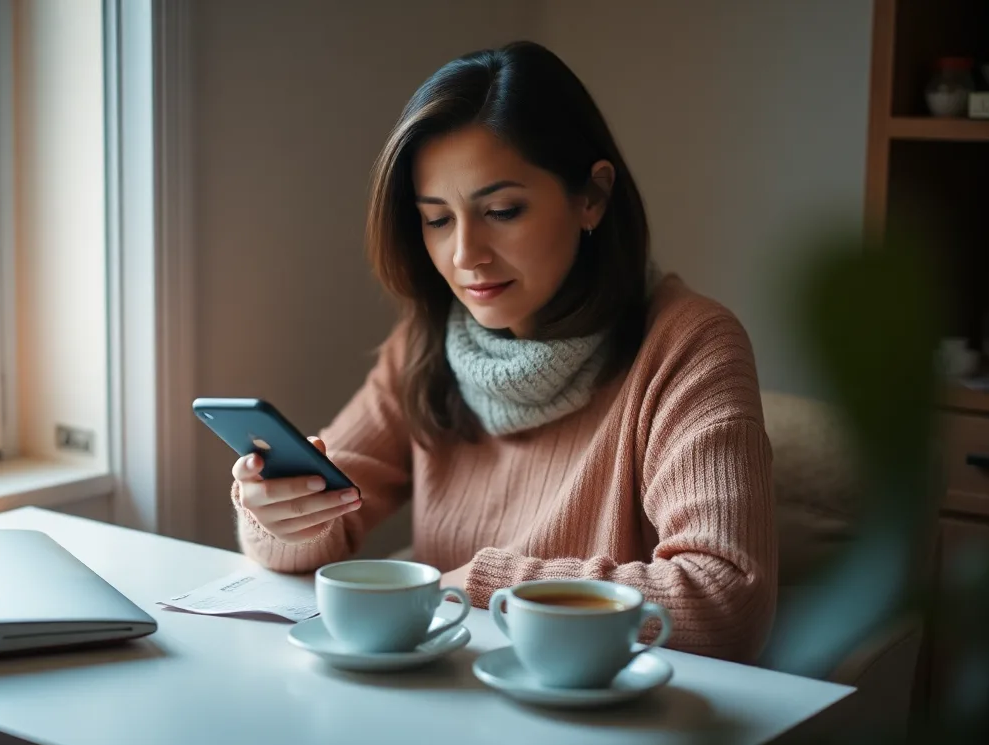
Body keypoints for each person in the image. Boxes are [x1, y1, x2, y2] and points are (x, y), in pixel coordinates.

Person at [228, 41, 776, 663]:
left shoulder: (689, 344)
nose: (466, 255)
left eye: (502, 210)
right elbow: (317, 536)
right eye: (437, 219)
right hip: (441, 703)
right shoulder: (426, 341)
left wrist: (488, 585)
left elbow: (725, 603)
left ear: (591, 198)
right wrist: (279, 514)